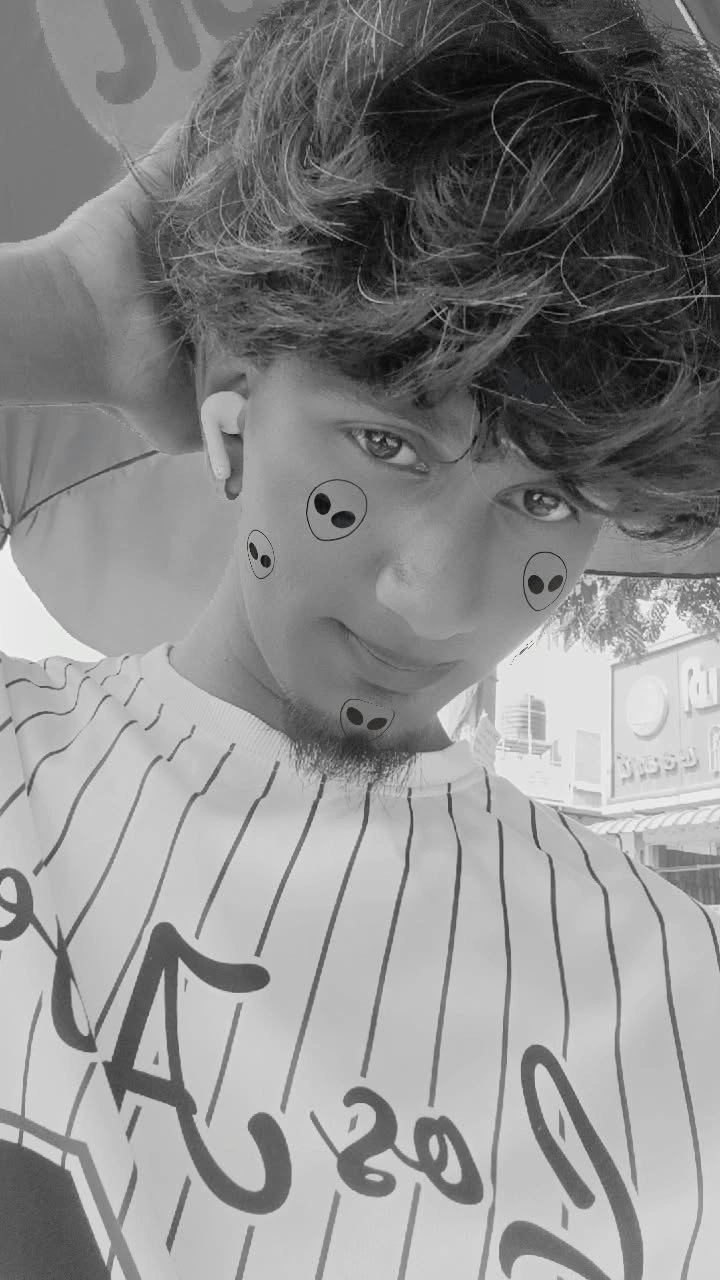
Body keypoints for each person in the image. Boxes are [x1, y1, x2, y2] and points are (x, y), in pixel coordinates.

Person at [2, 0, 720, 1275]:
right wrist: (66, 307)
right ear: (230, 385)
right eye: (387, 441)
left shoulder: (674, 989)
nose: (432, 597)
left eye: (546, 498)